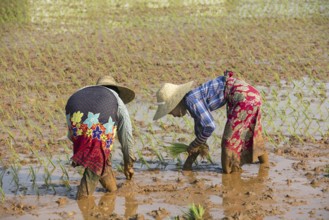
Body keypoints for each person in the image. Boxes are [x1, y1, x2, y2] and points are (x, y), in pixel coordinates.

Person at [153, 70, 269, 173]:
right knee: (253, 133)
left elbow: (209, 126)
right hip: (251, 94)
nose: (173, 115)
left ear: (176, 103)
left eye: (170, 111)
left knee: (229, 143)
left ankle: (231, 177)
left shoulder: (191, 100)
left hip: (244, 98)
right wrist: (190, 160)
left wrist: (194, 144)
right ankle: (265, 166)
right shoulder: (193, 102)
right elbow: (201, 132)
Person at [65, 75, 136, 199]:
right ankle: (83, 201)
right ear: (117, 92)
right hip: (96, 129)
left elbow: (71, 134)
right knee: (96, 160)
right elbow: (127, 137)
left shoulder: (82, 91)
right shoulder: (116, 100)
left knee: (101, 157)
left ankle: (112, 191)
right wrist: (128, 165)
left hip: (74, 115)